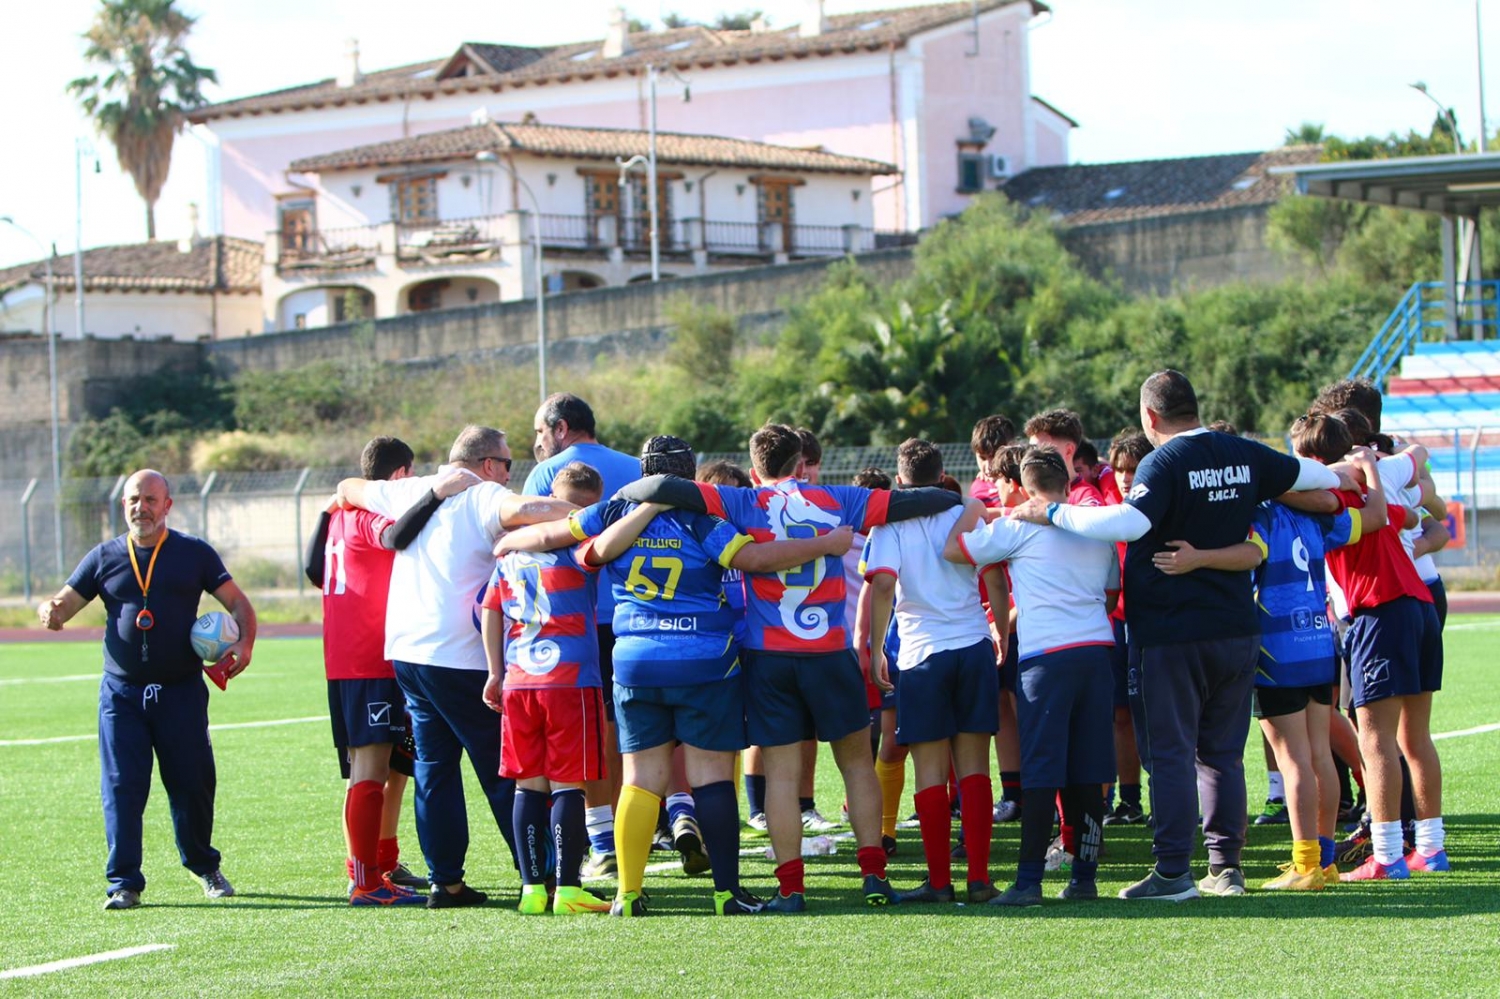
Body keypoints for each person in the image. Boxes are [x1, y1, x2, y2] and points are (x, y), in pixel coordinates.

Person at [1012, 370, 1341, 901]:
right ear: (1195, 406)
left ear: (1149, 417)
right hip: (1236, 628)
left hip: (1170, 632)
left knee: (1168, 754)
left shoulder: (1161, 461)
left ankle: (1172, 873)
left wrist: (1052, 511)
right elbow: (1320, 478)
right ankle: (1225, 868)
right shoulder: (1244, 451)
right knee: (1222, 754)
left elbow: (1130, 524)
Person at [617, 423, 963, 911]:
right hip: (829, 652)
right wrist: (954, 501)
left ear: (754, 467)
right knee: (856, 764)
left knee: (780, 773)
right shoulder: (840, 498)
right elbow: (912, 502)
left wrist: (626, 492)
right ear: (801, 462)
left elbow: (663, 488)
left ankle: (791, 889)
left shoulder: (740, 502)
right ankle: (873, 878)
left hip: (769, 658)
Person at [502, 436, 852, 916]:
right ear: (689, 475)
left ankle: (628, 894)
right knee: (709, 776)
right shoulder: (703, 520)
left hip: (636, 661)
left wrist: (507, 541)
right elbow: (753, 560)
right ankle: (727, 893)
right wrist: (825, 545)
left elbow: (567, 544)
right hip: (703, 662)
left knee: (641, 779)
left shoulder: (610, 513)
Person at [336, 425, 576, 908]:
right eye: (507, 464)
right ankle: (541, 877)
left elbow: (346, 488)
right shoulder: (483, 494)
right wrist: (593, 512)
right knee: (502, 766)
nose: (511, 473)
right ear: (487, 465)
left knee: (434, 769)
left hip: (408, 651)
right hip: (460, 655)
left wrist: (431, 490)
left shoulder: (411, 487)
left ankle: (444, 881)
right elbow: (526, 510)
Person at [1154, 433, 1387, 890]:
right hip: (1320, 641)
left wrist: (1199, 558)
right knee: (1320, 754)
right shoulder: (1317, 516)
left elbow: (1252, 554)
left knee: (1293, 759)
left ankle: (1304, 866)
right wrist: (1372, 471)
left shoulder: (1258, 514)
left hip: (1278, 650)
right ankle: (1324, 859)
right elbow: (1375, 517)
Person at [38, 469, 257, 911]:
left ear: (168, 505)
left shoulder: (194, 554)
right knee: (121, 787)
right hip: (122, 696)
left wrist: (245, 643)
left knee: (193, 784)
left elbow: (238, 604)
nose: (143, 507)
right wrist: (53, 610)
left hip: (180, 692)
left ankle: (202, 864)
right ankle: (124, 883)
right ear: (124, 505)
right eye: (135, 499)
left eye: (152, 499)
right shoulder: (103, 558)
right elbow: (64, 601)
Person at [946, 447, 1119, 906]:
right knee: (1089, 770)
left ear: (1023, 487)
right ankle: (1084, 878)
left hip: (1047, 660)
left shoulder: (1017, 527)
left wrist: (976, 508)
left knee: (1042, 770)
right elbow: (1111, 592)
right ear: (1066, 484)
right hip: (1097, 653)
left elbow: (954, 549)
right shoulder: (1094, 527)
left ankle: (1027, 883)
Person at [1290, 414, 1447, 882]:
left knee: (1375, 742)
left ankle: (1388, 855)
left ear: (1314, 460)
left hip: (1380, 612)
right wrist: (1381, 476)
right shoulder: (1366, 483)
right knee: (1415, 739)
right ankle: (1431, 849)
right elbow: (1416, 516)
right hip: (1418, 607)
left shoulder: (1330, 494)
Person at [865, 439, 1004, 904]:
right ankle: (980, 878)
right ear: (943, 473)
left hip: (923, 653)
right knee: (974, 767)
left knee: (928, 768)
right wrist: (999, 629)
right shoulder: (967, 510)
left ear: (899, 481)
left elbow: (883, 583)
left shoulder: (891, 523)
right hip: (973, 644)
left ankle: (940, 883)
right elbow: (994, 575)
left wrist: (875, 645)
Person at [304, 436, 434, 905]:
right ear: (401, 476)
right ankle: (365, 881)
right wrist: (435, 497)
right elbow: (399, 537)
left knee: (389, 766)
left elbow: (312, 569)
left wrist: (324, 513)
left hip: (348, 658)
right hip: (367, 658)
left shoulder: (338, 515)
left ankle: (380, 862)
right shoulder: (366, 515)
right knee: (371, 769)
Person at [480, 462, 615, 916]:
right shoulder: (582, 545)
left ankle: (532, 888)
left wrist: (494, 671)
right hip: (569, 679)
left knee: (527, 787)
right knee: (567, 787)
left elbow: (490, 611)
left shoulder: (510, 556)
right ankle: (569, 887)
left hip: (519, 680)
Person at [523, 393, 642, 877]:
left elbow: (531, 541)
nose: (537, 442)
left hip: (573, 621)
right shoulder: (635, 467)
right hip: (635, 613)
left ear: (562, 428)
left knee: (585, 733)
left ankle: (600, 838)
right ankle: (642, 823)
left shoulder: (545, 475)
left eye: (539, 432)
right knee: (629, 727)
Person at [1102, 431, 1152, 827]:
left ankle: (1169, 800)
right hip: (1118, 623)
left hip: (1156, 624)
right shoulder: (1107, 504)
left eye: (1132, 469)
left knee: (1160, 716)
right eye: (1119, 468)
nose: (1124, 477)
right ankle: (1129, 800)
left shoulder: (1159, 508)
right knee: (1121, 715)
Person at [1023, 409, 1105, 507]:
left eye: (1043, 448)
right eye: (1031, 449)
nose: (1033, 456)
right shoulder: (1025, 491)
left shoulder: (1087, 496)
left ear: (1069, 451)